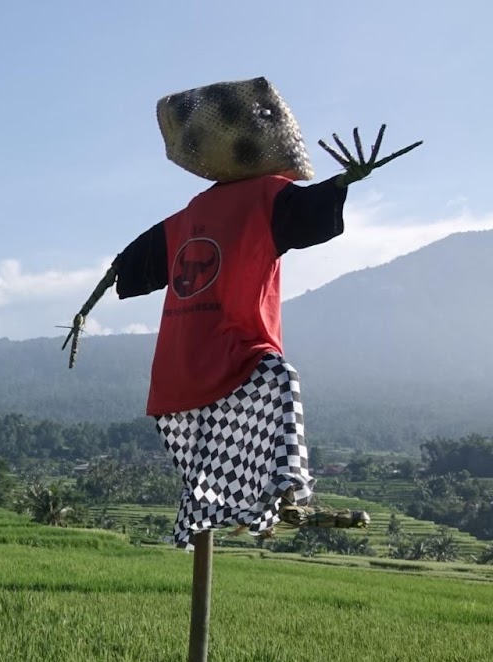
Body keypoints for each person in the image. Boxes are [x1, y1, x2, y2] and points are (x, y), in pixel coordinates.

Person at [63, 77, 419, 545]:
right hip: (235, 351)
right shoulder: (267, 197)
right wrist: (345, 181)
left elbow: (124, 263)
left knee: (214, 455)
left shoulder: (189, 214)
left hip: (178, 371)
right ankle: (284, 500)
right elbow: (309, 207)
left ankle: (270, 509)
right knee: (279, 380)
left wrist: (83, 312)